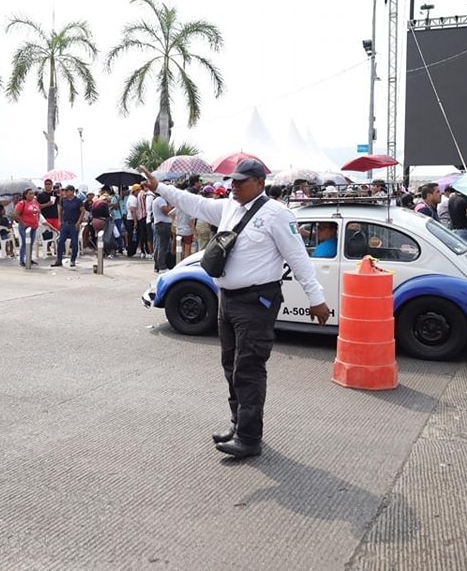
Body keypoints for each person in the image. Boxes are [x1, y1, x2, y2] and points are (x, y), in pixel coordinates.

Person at [140, 159, 330, 459]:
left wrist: (316, 299)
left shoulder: (277, 215)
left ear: (259, 183)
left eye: (241, 181)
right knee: (231, 365)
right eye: (233, 181)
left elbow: (299, 259)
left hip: (257, 302)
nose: (234, 186)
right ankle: (238, 423)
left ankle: (249, 438)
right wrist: (159, 187)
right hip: (227, 299)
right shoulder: (230, 206)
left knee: (249, 369)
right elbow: (195, 204)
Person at [52, 184, 84, 268]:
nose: (65, 192)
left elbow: (82, 211)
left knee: (74, 242)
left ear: (72, 191)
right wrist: (60, 221)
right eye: (64, 191)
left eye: (67, 191)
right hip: (65, 224)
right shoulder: (63, 200)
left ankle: (73, 260)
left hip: (74, 224)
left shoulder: (78, 201)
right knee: (61, 241)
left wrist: (78, 222)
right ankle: (59, 260)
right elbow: (60, 210)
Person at [13, 187, 41, 266]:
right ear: (25, 195)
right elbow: (15, 214)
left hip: (34, 226)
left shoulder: (35, 202)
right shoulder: (22, 203)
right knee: (25, 243)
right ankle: (22, 260)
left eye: (33, 194)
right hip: (25, 227)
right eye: (30, 194)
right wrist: (22, 222)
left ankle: (29, 258)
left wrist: (37, 220)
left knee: (31, 243)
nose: (32, 195)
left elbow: (38, 211)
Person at [150, 190, 172, 272]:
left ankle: (157, 265)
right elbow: (166, 211)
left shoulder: (157, 200)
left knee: (159, 245)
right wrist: (170, 206)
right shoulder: (160, 200)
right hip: (163, 225)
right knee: (163, 246)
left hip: (160, 224)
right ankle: (162, 266)